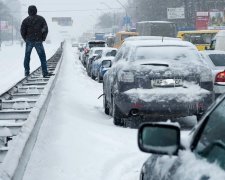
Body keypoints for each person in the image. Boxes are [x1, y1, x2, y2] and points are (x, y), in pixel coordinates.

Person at [20, 5, 52, 77]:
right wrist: (42, 38)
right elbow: (45, 29)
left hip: (29, 40)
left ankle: (26, 71)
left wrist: (26, 39)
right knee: (42, 56)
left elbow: (22, 31)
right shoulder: (41, 19)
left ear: (28, 11)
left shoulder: (25, 20)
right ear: (36, 10)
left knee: (27, 56)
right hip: (38, 40)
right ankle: (45, 72)